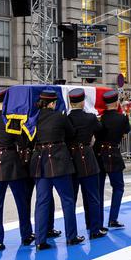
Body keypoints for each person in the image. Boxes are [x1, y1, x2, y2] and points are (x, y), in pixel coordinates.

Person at [30, 88, 83, 250]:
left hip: (40, 161)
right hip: (59, 161)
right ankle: (71, 237)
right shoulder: (59, 117)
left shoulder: (33, 118)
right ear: (52, 103)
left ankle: (40, 240)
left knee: (42, 202)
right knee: (67, 200)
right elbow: (71, 133)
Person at [0, 88, 34, 251]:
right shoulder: (12, 120)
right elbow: (22, 142)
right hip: (12, 163)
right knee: (22, 201)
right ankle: (26, 235)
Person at [66, 87, 107, 240]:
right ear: (83, 102)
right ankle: (94, 228)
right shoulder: (90, 118)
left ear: (70, 102)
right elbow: (100, 129)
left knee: (71, 198)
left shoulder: (66, 118)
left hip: (70, 159)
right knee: (92, 196)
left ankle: (72, 233)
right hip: (87, 158)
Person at [94, 90, 129, 229]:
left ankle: (99, 221)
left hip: (98, 154)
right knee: (118, 187)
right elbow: (125, 132)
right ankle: (113, 219)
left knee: (99, 189)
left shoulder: (100, 118)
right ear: (116, 102)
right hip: (113, 153)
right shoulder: (122, 118)